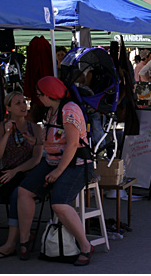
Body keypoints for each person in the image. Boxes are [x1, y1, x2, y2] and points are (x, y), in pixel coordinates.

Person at [17, 76, 94, 265]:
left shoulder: (69, 110)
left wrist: (58, 172)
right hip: (54, 161)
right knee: (24, 191)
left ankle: (85, 245)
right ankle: (25, 241)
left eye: (38, 95)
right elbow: (54, 137)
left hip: (77, 163)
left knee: (59, 204)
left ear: (48, 95)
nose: (37, 99)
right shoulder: (52, 110)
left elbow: (73, 144)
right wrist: (35, 141)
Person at [0, 92, 43, 258]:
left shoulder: (35, 128)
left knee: (17, 195)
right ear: (8, 108)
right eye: (18, 103)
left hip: (25, 174)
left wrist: (16, 171)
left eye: (24, 102)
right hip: (5, 175)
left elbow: (36, 158)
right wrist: (6, 134)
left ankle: (11, 243)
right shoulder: (0, 127)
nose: (23, 106)